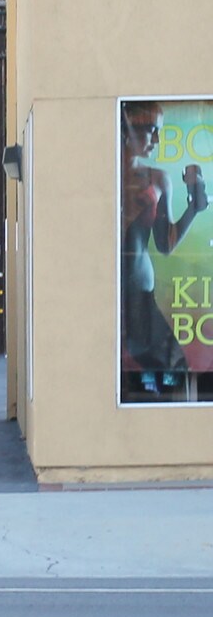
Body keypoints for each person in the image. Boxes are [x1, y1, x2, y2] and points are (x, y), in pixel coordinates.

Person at [121, 102, 206, 398]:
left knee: (172, 365)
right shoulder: (103, 177)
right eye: (150, 131)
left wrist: (194, 209)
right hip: (109, 292)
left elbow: (165, 243)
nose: (155, 140)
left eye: (158, 132)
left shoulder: (157, 179)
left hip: (141, 292)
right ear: (127, 131)